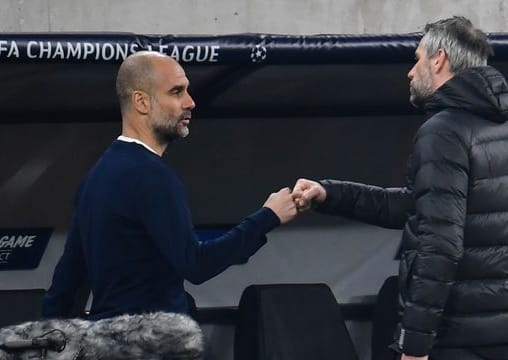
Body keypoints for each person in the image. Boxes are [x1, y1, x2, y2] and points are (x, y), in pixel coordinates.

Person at [293, 16, 508, 360]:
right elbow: (418, 209)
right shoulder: (498, 126)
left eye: (417, 57)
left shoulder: (444, 131)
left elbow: (438, 244)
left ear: (439, 59)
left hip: (455, 341)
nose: (410, 71)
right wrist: (329, 194)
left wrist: (415, 344)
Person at [42, 51, 297, 320]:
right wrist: (268, 217)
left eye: (187, 91)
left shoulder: (96, 176)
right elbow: (196, 264)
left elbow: (67, 283)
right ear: (141, 102)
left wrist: (47, 341)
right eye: (176, 92)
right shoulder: (150, 176)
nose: (190, 102)